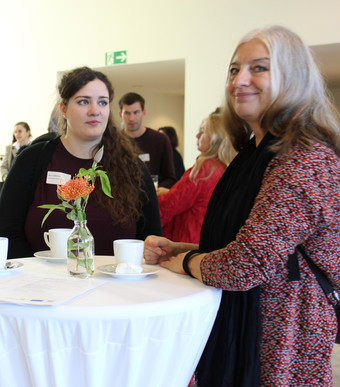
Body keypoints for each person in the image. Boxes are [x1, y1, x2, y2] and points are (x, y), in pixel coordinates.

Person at [144, 26, 340, 385]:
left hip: (283, 337)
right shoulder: (254, 153)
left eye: (259, 68)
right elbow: (248, 244)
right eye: (234, 70)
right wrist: (184, 248)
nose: (240, 80)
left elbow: (245, 266)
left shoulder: (303, 158)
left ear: (293, 76)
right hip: (252, 324)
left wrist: (183, 261)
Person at [0, 66, 162, 258]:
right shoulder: (32, 160)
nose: (95, 111)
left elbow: (151, 240)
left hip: (117, 285)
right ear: (64, 109)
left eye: (102, 102)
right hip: (43, 283)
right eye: (83, 102)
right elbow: (7, 235)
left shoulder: (133, 168)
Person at [157, 110, 236, 244]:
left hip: (186, 242)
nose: (197, 135)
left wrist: (150, 198)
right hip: (209, 240)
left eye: (203, 131)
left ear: (215, 137)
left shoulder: (204, 170)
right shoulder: (225, 167)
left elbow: (170, 205)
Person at [118, 92, 176, 188]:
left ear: (143, 112)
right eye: (127, 113)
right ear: (121, 114)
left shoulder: (160, 139)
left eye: (136, 112)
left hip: (153, 198)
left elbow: (170, 178)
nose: (132, 118)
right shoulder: (114, 141)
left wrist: (157, 190)